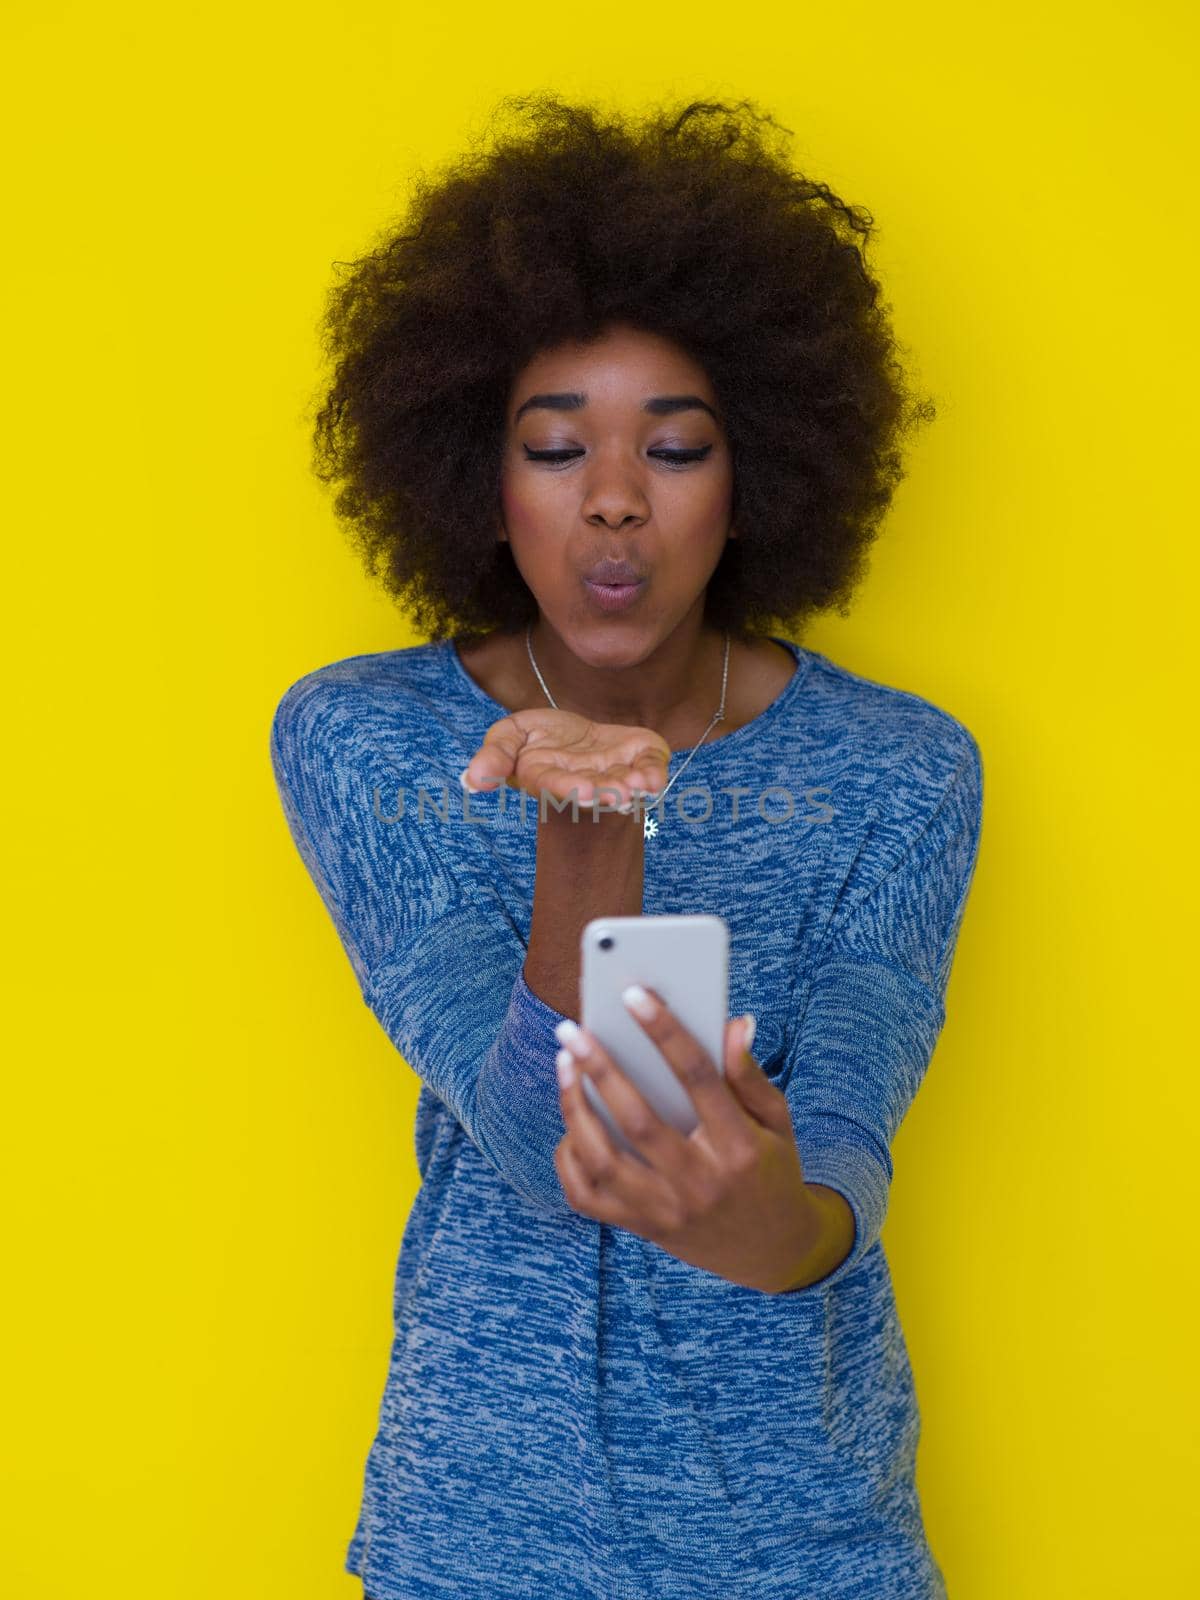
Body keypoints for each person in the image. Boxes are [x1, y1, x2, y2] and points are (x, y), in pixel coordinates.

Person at [270, 93, 984, 1599]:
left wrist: (773, 1225)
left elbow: (848, 1139)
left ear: (759, 476)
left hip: (805, 1539)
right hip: (481, 1538)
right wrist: (588, 822)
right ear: (478, 474)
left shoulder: (901, 773)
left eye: (673, 448)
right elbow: (539, 1141)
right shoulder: (366, 742)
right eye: (553, 446)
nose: (611, 497)